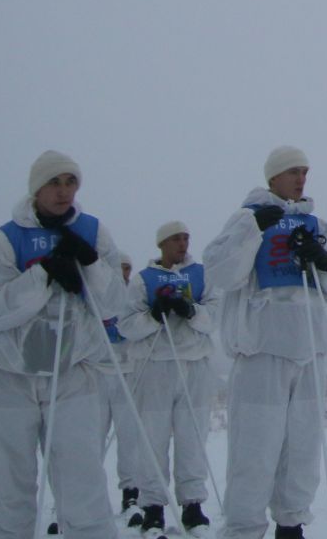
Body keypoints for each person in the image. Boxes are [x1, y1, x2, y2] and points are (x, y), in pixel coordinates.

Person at [0, 150, 125, 539]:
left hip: (71, 370)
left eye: (71, 182)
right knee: (10, 483)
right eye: (54, 182)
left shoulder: (93, 230)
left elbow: (113, 304)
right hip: (9, 373)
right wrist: (44, 274)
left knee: (81, 478)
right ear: (36, 187)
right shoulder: (7, 237)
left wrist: (88, 265)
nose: (63, 191)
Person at [202, 148, 327, 539]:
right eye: (292, 171)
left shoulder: (315, 222)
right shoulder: (246, 217)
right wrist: (252, 229)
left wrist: (322, 260)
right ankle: (244, 528)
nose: (301, 178)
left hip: (309, 347)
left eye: (305, 171)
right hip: (261, 350)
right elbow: (220, 272)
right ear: (273, 177)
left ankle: (291, 522)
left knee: (302, 447)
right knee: (254, 448)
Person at [119, 221, 217, 539]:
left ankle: (192, 504)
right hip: (155, 366)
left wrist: (191, 311)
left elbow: (216, 315)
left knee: (192, 437)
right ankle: (153, 507)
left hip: (193, 364)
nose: (182, 243)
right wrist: (152, 315)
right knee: (153, 438)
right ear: (161, 243)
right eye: (176, 238)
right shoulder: (143, 280)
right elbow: (126, 325)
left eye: (186, 237)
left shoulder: (201, 274)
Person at [95, 253, 149, 532]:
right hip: (97, 373)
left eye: (128, 268)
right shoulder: (98, 293)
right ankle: (84, 496)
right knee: (91, 438)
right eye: (120, 269)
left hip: (128, 373)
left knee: (129, 437)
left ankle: (131, 495)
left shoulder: (133, 296)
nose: (124, 273)